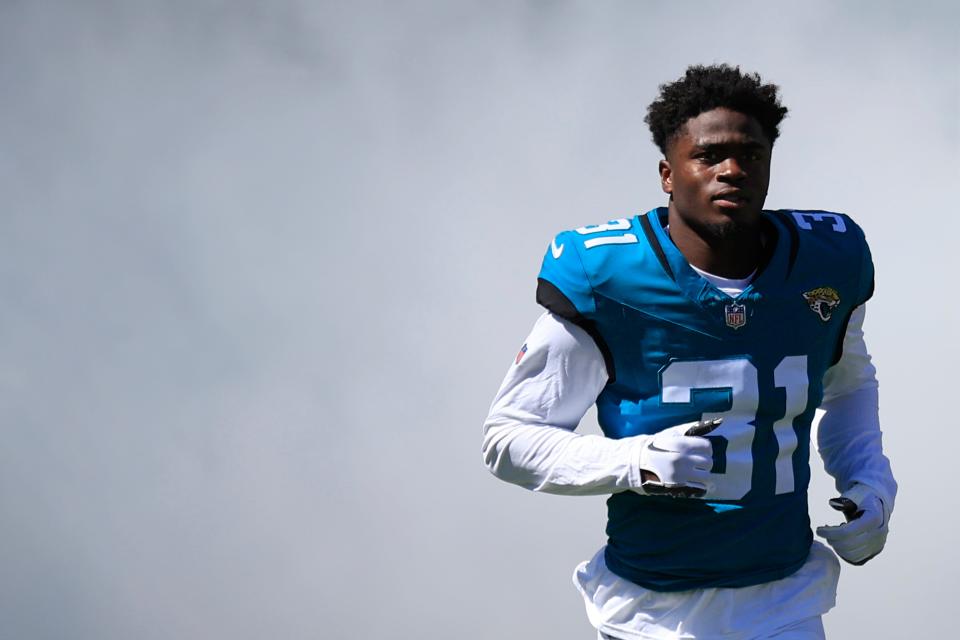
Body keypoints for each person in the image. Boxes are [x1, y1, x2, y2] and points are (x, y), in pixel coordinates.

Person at [481, 64, 896, 640]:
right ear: (667, 173)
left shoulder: (827, 259)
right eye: (708, 155)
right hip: (650, 614)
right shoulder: (608, 274)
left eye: (750, 153)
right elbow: (508, 439)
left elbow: (848, 381)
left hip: (785, 599)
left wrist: (869, 479)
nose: (732, 171)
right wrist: (631, 462)